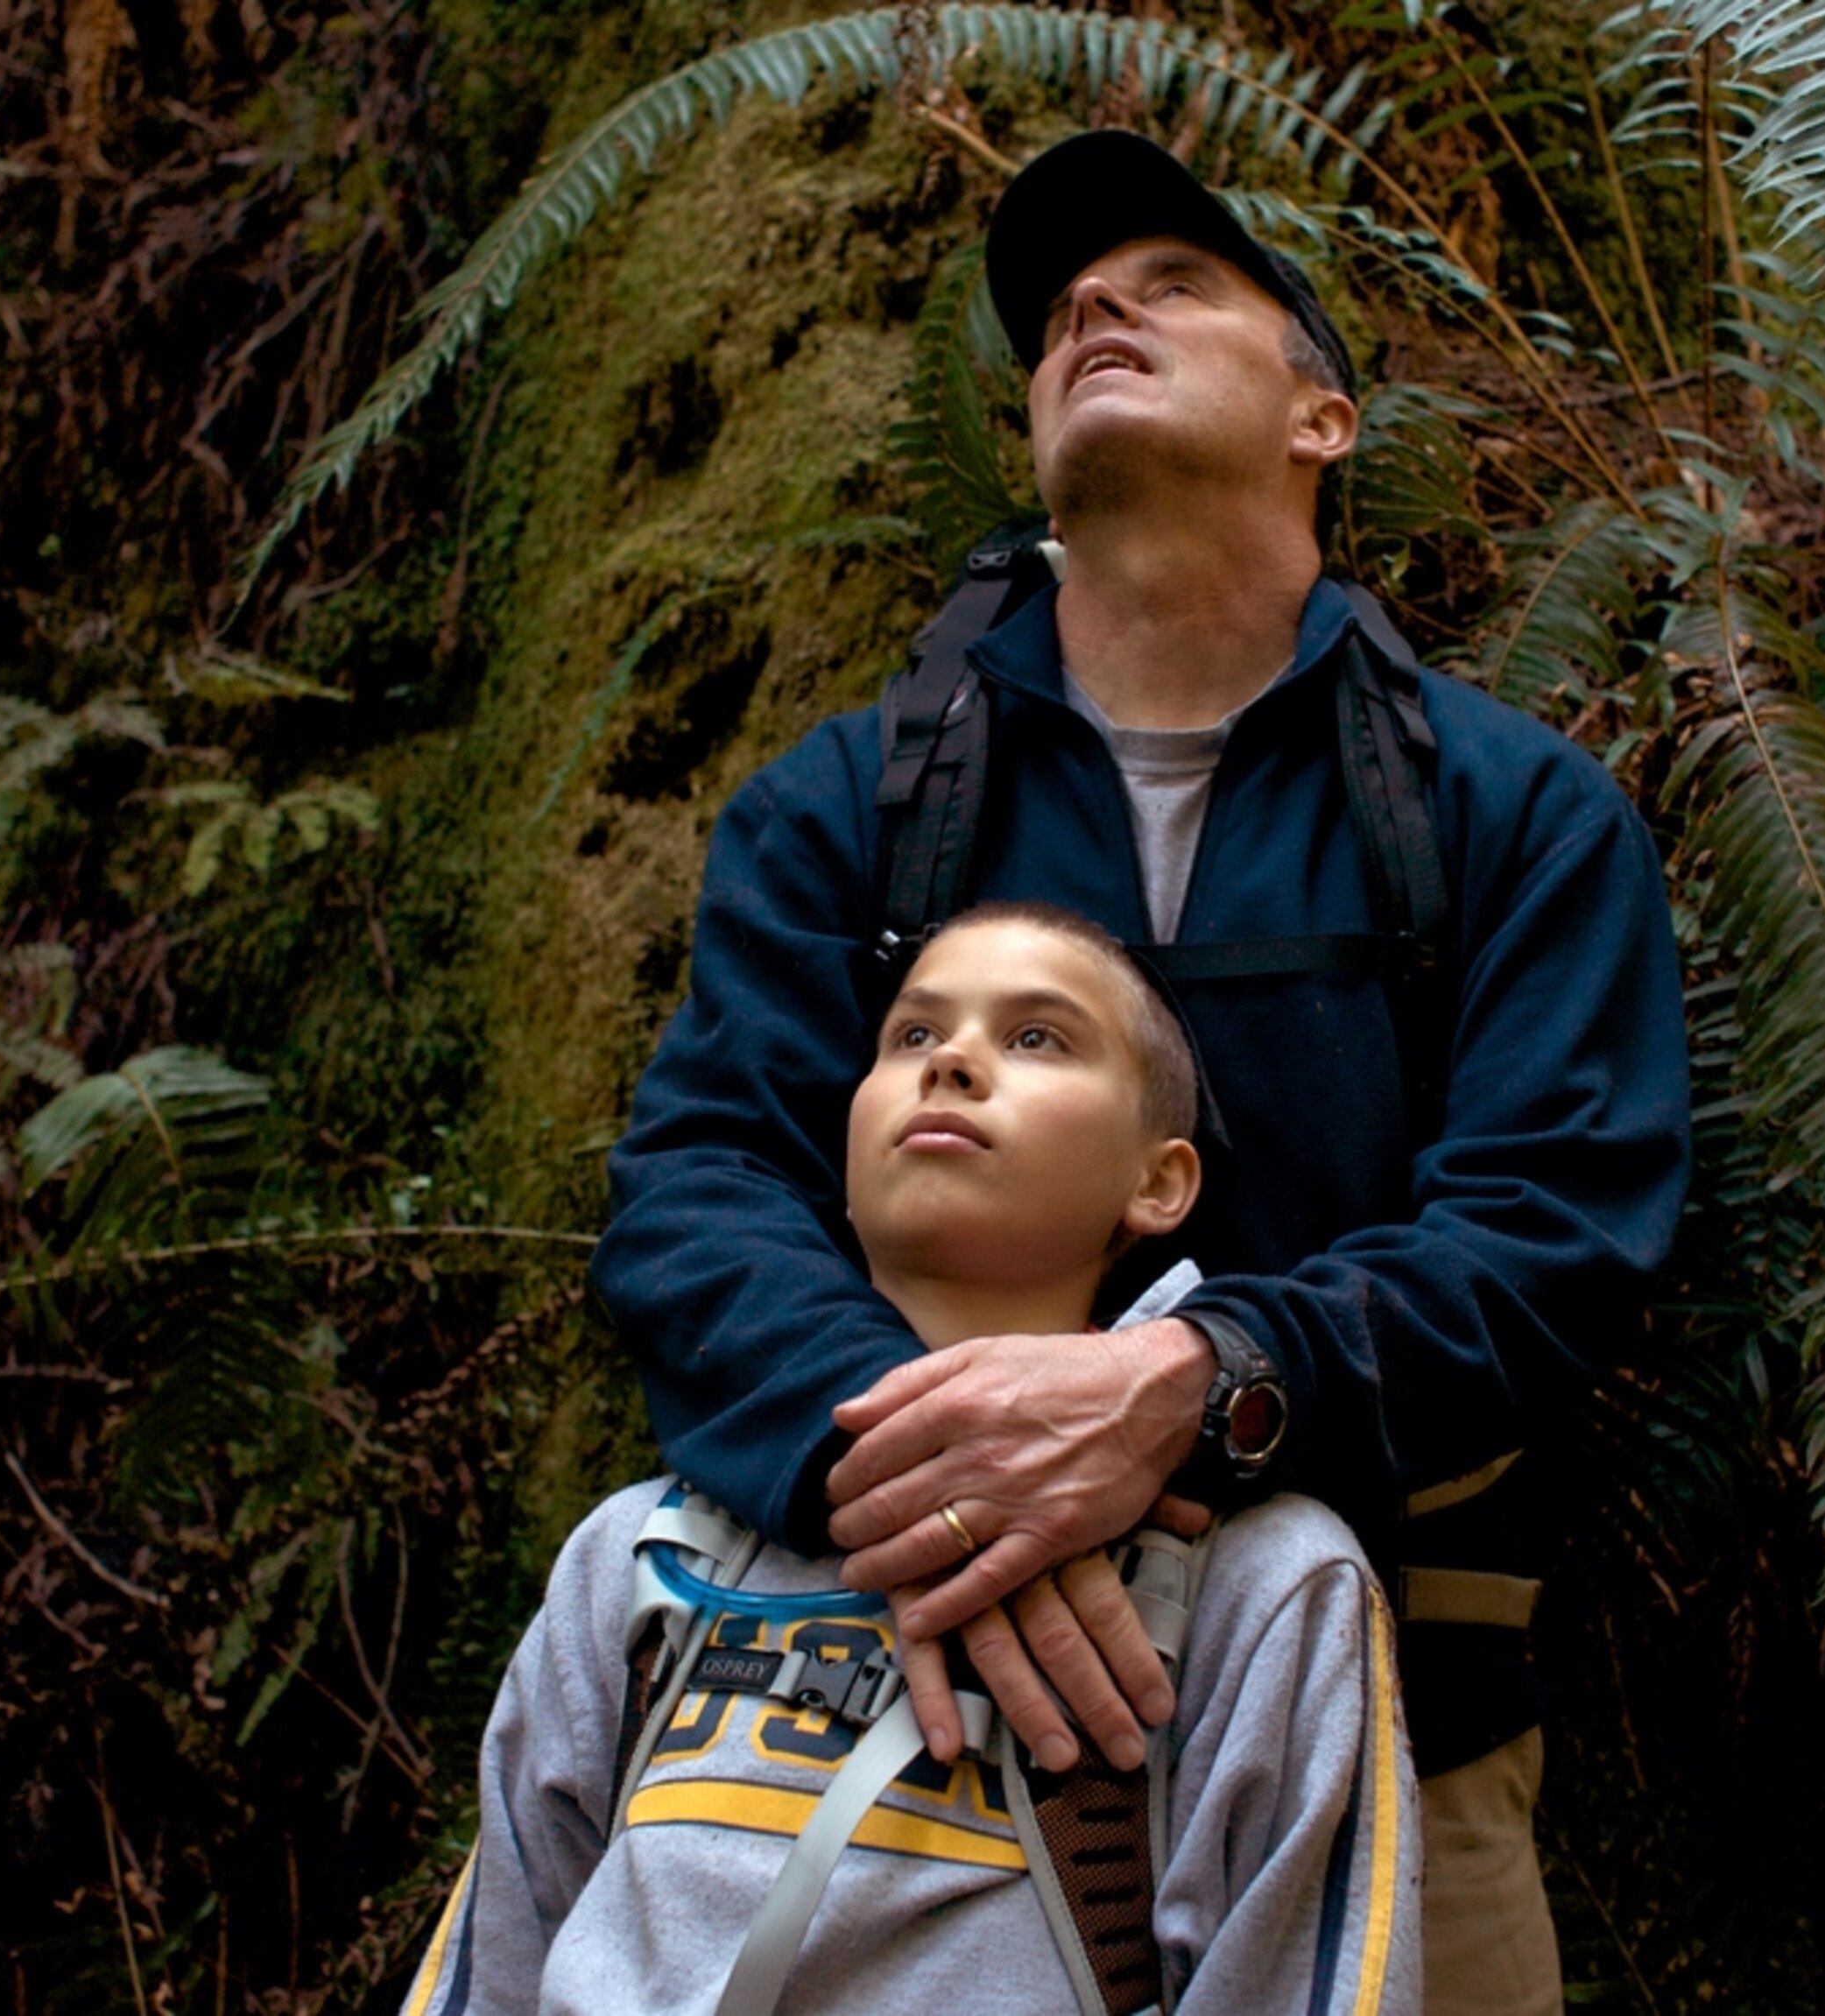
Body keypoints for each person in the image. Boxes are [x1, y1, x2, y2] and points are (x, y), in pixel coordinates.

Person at [593, 129, 1689, 2011]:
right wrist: (954, 1488)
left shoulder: (1511, 817)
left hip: (1398, 1739)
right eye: (1062, 319)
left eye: (1175, 284)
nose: (1096, 308)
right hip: (864, 1706)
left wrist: (1195, 1390)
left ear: (1323, 418)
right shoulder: (850, 814)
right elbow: (698, 1195)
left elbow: (1558, 1231)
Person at [409, 906, 1419, 2016]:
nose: (951, 1061)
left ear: (1160, 1183)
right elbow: (491, 1971)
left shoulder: (1264, 1586)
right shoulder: (643, 1557)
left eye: (1037, 1037)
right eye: (911, 1036)